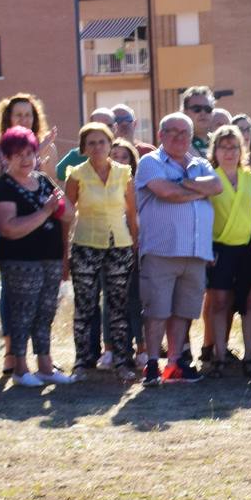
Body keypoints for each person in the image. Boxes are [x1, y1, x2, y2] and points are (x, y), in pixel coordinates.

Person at [135, 112, 221, 384]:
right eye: (172, 131)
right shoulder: (150, 162)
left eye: (184, 132)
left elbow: (217, 185)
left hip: (195, 252)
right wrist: (197, 190)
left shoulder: (200, 162)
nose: (179, 137)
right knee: (157, 310)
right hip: (162, 250)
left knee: (184, 311)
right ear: (160, 135)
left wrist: (181, 184)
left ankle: (175, 363)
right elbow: (165, 192)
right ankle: (151, 364)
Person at [0, 127, 74, 388]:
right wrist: (46, 211)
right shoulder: (4, 187)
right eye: (18, 155)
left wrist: (64, 253)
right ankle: (20, 368)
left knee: (46, 312)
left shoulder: (44, 180)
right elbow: (9, 228)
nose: (26, 159)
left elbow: (68, 214)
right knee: (22, 313)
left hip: (50, 257)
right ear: (5, 157)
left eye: (30, 153)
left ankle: (46, 366)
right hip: (21, 260)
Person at [65, 123, 139, 381]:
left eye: (102, 142)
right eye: (91, 143)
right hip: (86, 244)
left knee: (118, 306)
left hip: (119, 245)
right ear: (84, 147)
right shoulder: (76, 174)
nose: (97, 147)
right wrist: (65, 253)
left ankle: (122, 361)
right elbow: (66, 215)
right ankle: (82, 362)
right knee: (85, 306)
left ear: (110, 144)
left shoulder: (123, 173)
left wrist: (135, 244)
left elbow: (132, 212)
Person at [203, 125, 251, 377]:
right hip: (219, 249)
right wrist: (205, 248)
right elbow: (200, 216)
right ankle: (220, 356)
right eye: (223, 147)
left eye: (233, 147)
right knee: (219, 302)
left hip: (249, 248)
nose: (229, 152)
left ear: (241, 149)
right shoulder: (210, 178)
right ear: (216, 150)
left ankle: (249, 355)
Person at [108, 138, 148, 367]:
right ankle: (112, 349)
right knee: (112, 301)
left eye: (125, 156)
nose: (120, 160)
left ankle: (141, 347)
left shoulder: (139, 185)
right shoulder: (102, 182)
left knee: (135, 299)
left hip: (134, 246)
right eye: (115, 156)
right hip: (108, 246)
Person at [52, 107, 115, 178]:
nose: (104, 130)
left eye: (108, 125)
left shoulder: (123, 153)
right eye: (98, 126)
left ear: (115, 127)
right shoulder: (77, 155)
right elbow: (55, 178)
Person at [179, 86, 216, 157]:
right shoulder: (177, 144)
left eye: (207, 109)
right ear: (185, 112)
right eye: (197, 109)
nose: (203, 112)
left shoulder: (219, 142)